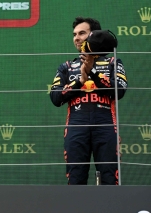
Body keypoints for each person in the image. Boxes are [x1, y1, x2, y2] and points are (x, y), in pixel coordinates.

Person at [50, 17, 127, 185]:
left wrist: (92, 72)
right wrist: (79, 81)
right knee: (75, 181)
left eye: (82, 33)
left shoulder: (112, 62)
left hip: (106, 126)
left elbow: (119, 91)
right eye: (74, 34)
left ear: (94, 36)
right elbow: (55, 97)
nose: (76, 38)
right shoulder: (66, 67)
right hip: (76, 126)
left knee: (110, 180)